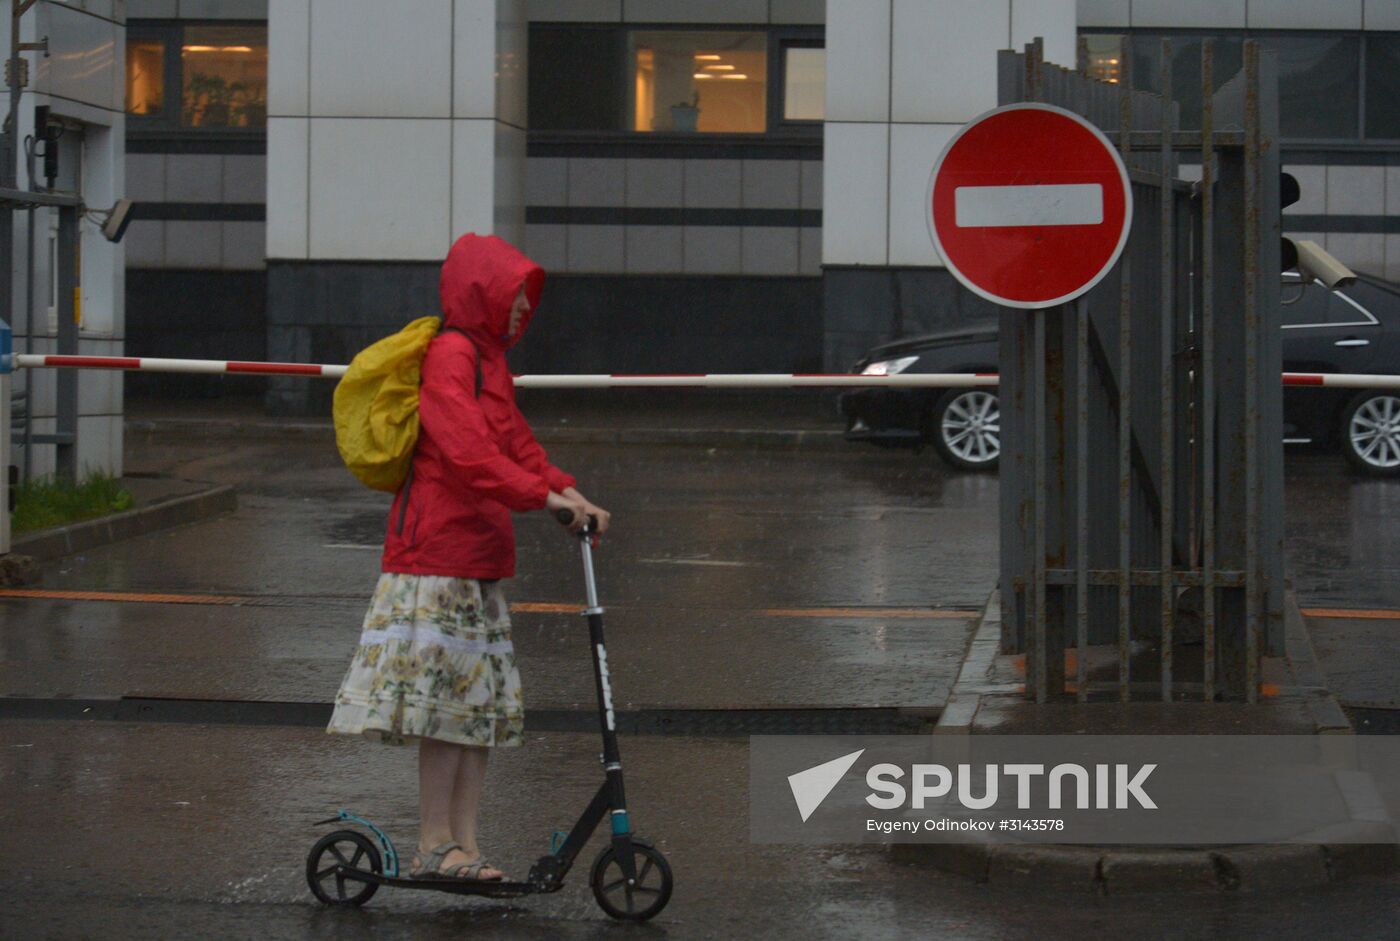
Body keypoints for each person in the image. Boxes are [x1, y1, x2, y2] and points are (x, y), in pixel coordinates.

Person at [327, 233, 610, 881]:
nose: (522, 310)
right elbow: (468, 453)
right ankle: (434, 844)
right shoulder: (451, 356)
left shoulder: (490, 362)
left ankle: (467, 845)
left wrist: (570, 492)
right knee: (443, 708)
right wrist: (546, 499)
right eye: (514, 297)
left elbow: (514, 442)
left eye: (525, 300)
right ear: (482, 293)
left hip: (477, 559)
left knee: (477, 710)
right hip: (434, 558)